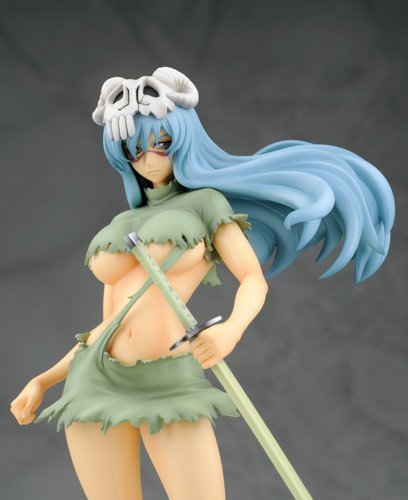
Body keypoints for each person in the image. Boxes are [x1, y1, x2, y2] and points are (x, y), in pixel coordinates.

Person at [10, 67, 395, 500]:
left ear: (182, 140)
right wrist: (44, 380)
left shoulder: (206, 203)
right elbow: (110, 322)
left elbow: (252, 279)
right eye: (134, 150)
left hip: (168, 378)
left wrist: (231, 329)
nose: (149, 159)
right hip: (94, 380)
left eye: (161, 144)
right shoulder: (122, 222)